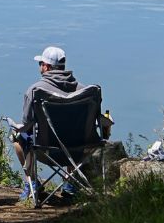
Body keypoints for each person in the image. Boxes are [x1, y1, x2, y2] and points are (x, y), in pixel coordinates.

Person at [12, 45, 105, 204]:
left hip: (47, 150)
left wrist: (15, 126)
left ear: (46, 67)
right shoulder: (86, 91)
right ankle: (71, 183)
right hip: (80, 151)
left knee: (17, 138)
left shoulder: (36, 91)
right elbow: (100, 121)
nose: (40, 67)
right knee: (72, 128)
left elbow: (27, 126)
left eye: (40, 64)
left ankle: (32, 182)